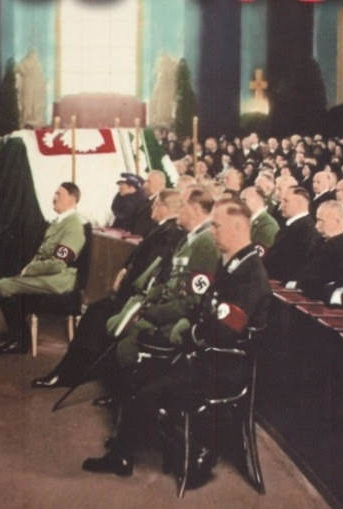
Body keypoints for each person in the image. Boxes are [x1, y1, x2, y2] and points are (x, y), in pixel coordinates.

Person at [82, 198, 271, 478]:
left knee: (146, 383)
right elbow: (206, 309)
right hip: (208, 356)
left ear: (237, 227)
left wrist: (187, 333)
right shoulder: (235, 265)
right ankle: (125, 446)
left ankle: (129, 453)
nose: (212, 232)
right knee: (140, 372)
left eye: (217, 226)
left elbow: (224, 332)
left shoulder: (250, 275)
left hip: (220, 367)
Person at [30, 189, 185, 388]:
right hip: (123, 291)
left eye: (154, 205)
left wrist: (125, 280)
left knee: (95, 315)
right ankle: (74, 371)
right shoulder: (162, 229)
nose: (151, 209)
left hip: (122, 294)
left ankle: (70, 373)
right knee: (95, 315)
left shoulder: (168, 233)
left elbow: (149, 270)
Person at [109, 186, 220, 369]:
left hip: (176, 320)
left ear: (196, 209)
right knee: (119, 328)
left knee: (126, 345)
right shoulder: (188, 239)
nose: (177, 211)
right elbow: (172, 283)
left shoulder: (206, 243)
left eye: (182, 205)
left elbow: (192, 301)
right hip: (166, 309)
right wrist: (149, 298)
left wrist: (152, 313)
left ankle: (130, 393)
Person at [0, 182, 86, 354]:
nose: (54, 197)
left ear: (72, 199)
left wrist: (30, 270)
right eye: (55, 193)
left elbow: (58, 263)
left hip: (59, 280)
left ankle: (19, 340)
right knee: (5, 281)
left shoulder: (73, 227)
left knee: (1, 286)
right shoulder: (59, 223)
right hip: (48, 275)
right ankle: (18, 336)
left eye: (59, 194)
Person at [287, 200, 343, 300]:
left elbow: (323, 280)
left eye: (321, 221)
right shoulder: (320, 241)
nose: (317, 226)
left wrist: (298, 284)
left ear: (337, 221)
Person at [263, 186, 320, 281]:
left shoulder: (306, 230)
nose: (281, 206)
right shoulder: (292, 225)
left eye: (286, 201)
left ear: (299, 203)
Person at [240, 185, 279, 250]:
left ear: (257, 199)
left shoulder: (268, 225)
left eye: (244, 200)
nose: (240, 204)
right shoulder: (249, 222)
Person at [131, 169, 167, 237]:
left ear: (160, 184)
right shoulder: (145, 201)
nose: (144, 185)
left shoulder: (160, 204)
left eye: (148, 182)